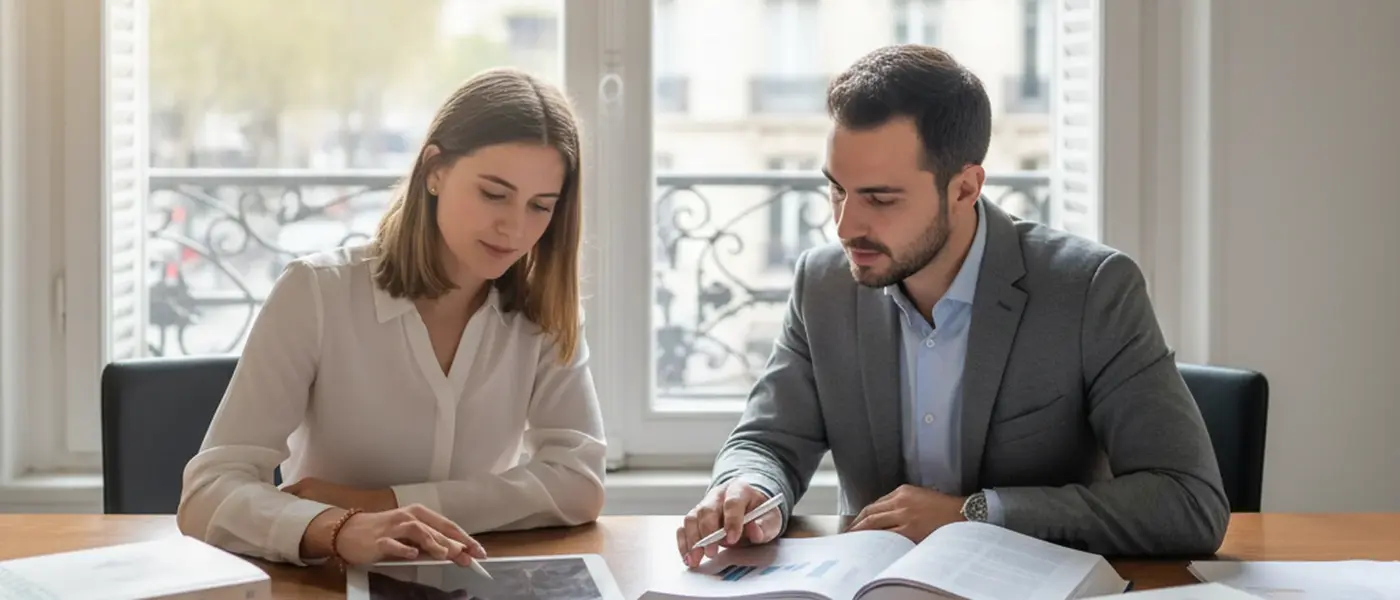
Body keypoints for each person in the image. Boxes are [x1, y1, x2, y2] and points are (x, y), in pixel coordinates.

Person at [676, 44, 1229, 564]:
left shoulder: (1091, 290)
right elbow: (769, 439)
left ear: (964, 188)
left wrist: (976, 514)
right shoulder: (823, 285)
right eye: (837, 189)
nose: (845, 226)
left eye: (880, 198)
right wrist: (749, 487)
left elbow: (1188, 502)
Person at [178, 68, 607, 568]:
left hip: (475, 578)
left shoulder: (544, 313)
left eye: (540, 206)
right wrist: (336, 529)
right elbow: (208, 492)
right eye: (494, 194)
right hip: (330, 580)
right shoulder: (317, 293)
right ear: (435, 170)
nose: (514, 227)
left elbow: (579, 483)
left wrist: (385, 503)